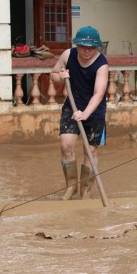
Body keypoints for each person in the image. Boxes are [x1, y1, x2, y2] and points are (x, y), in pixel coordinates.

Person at [50, 26, 109, 200]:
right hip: (72, 105)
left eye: (91, 48)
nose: (87, 51)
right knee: (66, 145)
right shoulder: (68, 55)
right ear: (77, 45)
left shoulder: (102, 64)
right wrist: (60, 77)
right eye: (84, 47)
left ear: (96, 47)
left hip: (95, 110)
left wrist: (85, 114)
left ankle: (86, 191)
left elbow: (99, 93)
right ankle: (71, 187)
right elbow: (53, 74)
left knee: (90, 150)